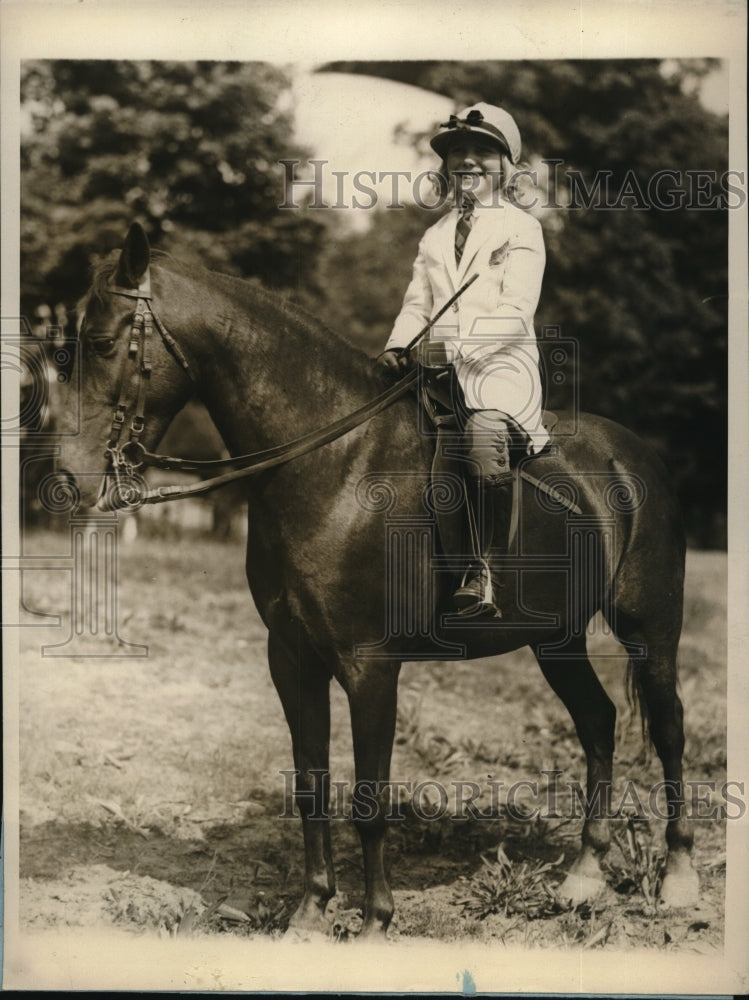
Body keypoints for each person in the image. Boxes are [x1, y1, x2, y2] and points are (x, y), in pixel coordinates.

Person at [379, 102, 549, 618]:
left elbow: (516, 310)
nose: (468, 162)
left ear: (507, 165)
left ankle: (484, 572)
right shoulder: (433, 235)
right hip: (434, 374)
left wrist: (455, 349)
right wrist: (397, 346)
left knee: (480, 439)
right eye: (458, 153)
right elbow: (417, 305)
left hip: (500, 374)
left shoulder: (522, 229)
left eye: (482, 152)